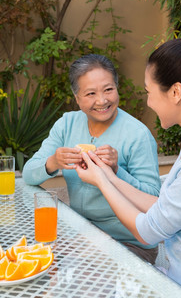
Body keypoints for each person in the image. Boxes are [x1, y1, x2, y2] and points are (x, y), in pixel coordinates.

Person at [74, 33, 181, 298]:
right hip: (180, 280)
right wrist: (110, 175)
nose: (148, 102)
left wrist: (101, 182)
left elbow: (148, 232)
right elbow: (163, 206)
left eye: (149, 92)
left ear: (175, 92)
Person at [22, 54, 161, 264]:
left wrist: (116, 170)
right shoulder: (66, 124)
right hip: (79, 235)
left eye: (108, 89)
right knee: (32, 263)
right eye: (90, 93)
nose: (102, 100)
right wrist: (53, 161)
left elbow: (153, 202)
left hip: (129, 243)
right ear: (76, 98)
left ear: (117, 88)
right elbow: (29, 173)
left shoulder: (137, 135)